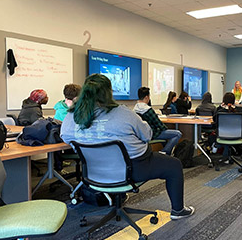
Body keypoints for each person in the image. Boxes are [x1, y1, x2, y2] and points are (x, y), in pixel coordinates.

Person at [60, 74, 196, 220]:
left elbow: (66, 137)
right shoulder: (123, 113)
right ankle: (178, 211)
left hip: (94, 174)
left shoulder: (72, 115)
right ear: (109, 92)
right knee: (174, 165)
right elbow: (147, 135)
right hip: (132, 170)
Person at [135, 87, 182, 154]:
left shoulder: (134, 109)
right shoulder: (148, 110)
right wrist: (166, 128)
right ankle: (164, 152)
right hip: (152, 134)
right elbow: (160, 126)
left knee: (166, 138)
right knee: (177, 134)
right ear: (147, 97)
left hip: (141, 134)